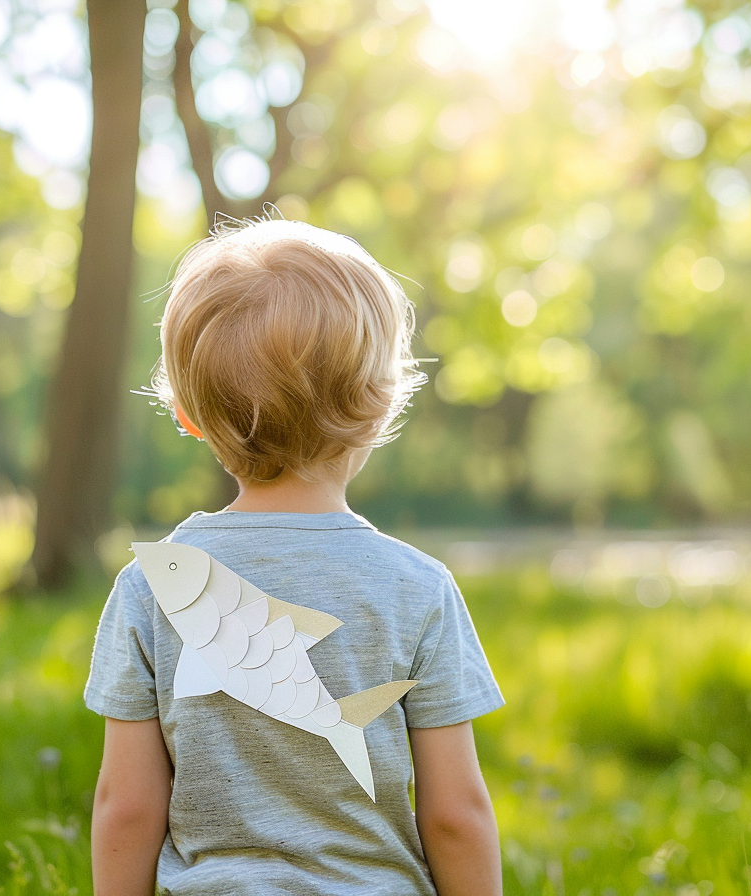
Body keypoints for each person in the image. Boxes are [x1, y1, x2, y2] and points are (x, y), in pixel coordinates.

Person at [84, 218, 505, 895]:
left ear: (188, 413)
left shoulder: (148, 587)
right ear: (383, 404)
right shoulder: (418, 588)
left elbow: (127, 807)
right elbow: (456, 816)